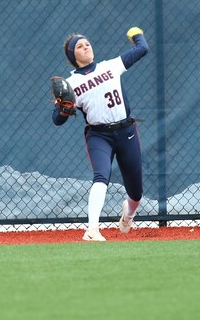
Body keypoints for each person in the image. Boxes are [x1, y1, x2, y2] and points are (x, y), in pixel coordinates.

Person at [52, 27, 149, 241]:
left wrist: (136, 34)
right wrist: (64, 109)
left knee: (136, 194)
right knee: (101, 175)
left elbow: (143, 49)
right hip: (99, 136)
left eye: (86, 43)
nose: (85, 46)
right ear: (72, 56)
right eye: (79, 46)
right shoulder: (72, 84)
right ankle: (92, 230)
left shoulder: (111, 66)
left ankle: (128, 215)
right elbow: (57, 120)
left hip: (126, 132)